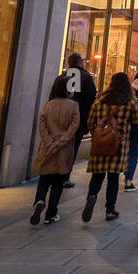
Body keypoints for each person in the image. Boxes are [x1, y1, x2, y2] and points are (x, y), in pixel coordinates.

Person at [82, 72, 138, 223]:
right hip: (118, 145)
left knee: (97, 176)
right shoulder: (130, 102)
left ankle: (92, 196)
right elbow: (136, 121)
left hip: (100, 145)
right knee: (113, 178)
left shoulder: (100, 100)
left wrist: (98, 133)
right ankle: (110, 210)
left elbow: (90, 123)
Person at [30, 75, 79, 225]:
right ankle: (51, 213)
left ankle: (39, 201)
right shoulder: (73, 106)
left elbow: (41, 125)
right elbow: (73, 128)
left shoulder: (48, 105)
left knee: (44, 178)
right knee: (58, 181)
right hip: (62, 150)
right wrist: (59, 143)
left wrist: (49, 142)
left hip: (48, 148)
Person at [61, 53, 96, 188]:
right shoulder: (86, 77)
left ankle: (56, 174)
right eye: (83, 60)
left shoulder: (63, 75)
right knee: (73, 147)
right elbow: (91, 98)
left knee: (62, 145)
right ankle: (65, 176)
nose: (84, 62)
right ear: (79, 62)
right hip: (78, 118)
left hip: (62, 118)